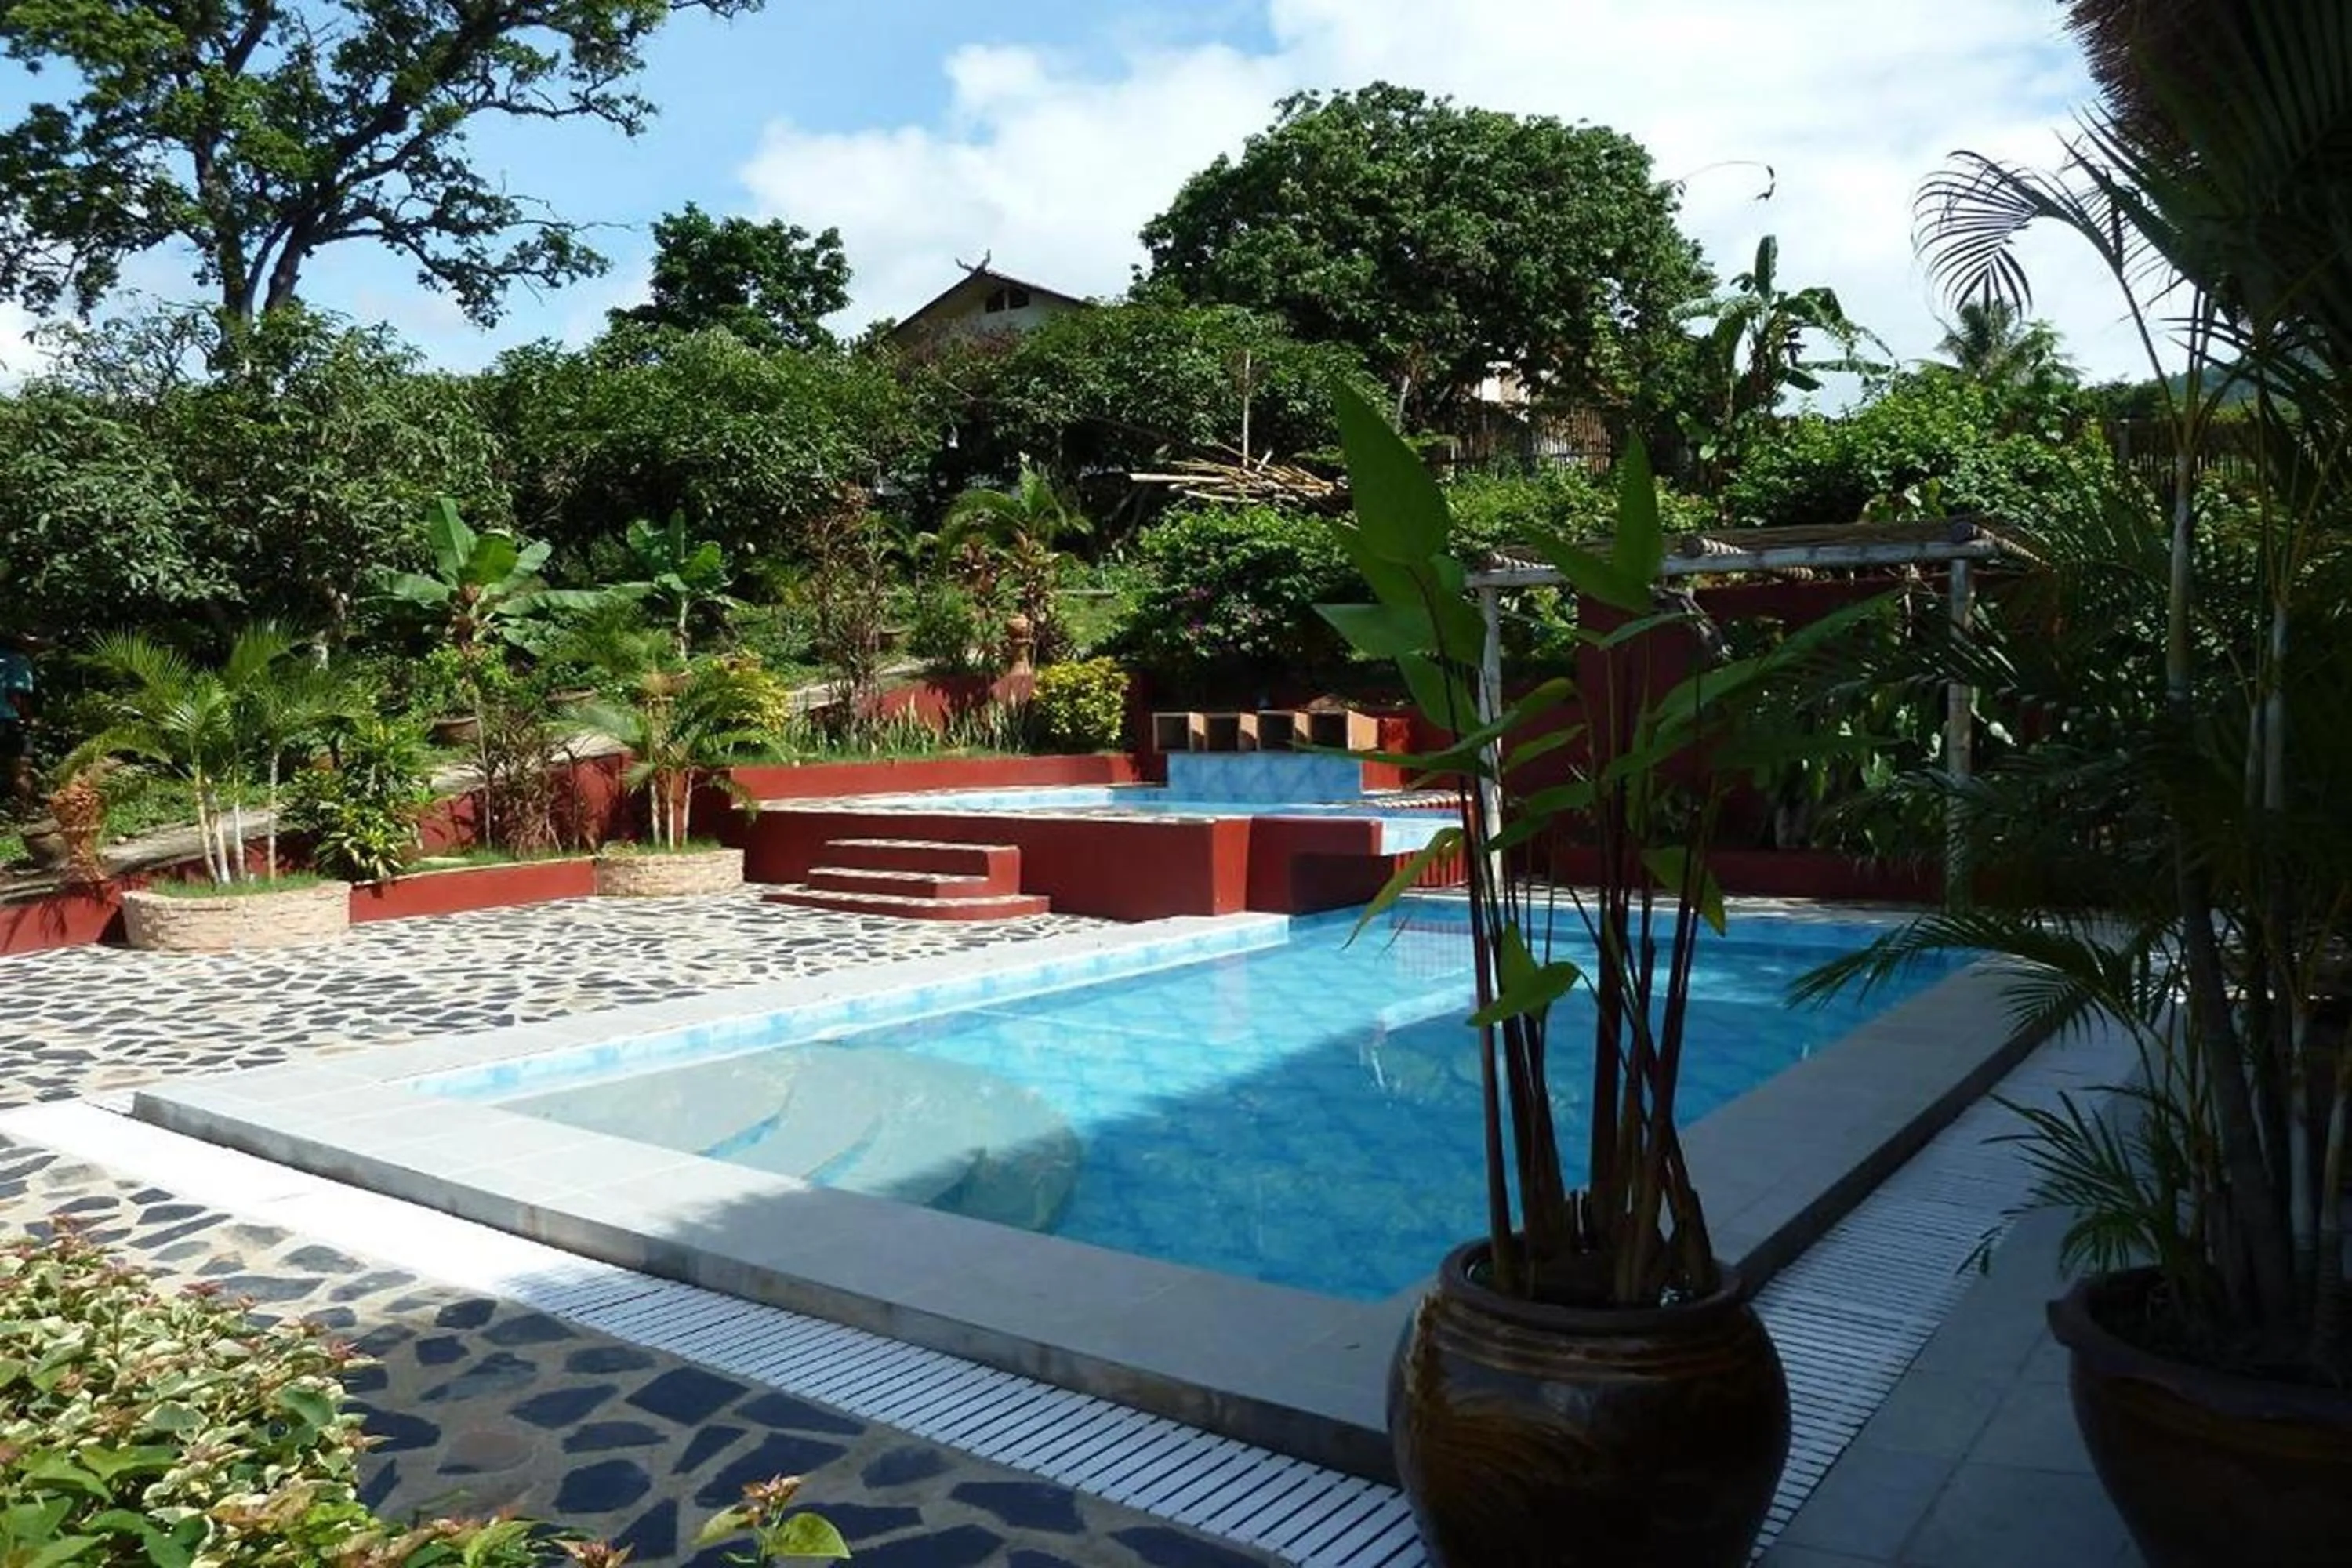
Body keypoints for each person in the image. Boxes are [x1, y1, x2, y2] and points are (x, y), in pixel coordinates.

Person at [0, 633, 38, 810]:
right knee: (21, 769)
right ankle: (26, 810)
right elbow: (16, 695)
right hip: (8, 720)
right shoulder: (18, 661)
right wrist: (28, 719)